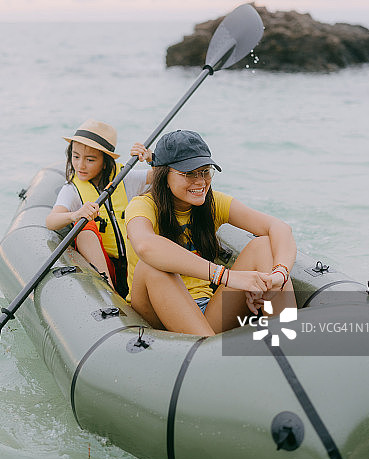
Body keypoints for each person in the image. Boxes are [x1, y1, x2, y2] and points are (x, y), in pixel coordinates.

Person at [125, 130, 297, 336]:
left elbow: (278, 227)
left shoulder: (213, 202)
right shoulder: (142, 206)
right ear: (163, 175)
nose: (200, 181)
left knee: (263, 245)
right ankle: (210, 353)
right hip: (157, 315)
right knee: (151, 265)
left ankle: (286, 340)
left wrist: (279, 275)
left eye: (205, 171)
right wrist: (226, 276)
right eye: (189, 173)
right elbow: (145, 245)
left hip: (206, 314)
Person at [45, 118, 152, 297]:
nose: (80, 165)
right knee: (84, 225)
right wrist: (75, 214)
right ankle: (108, 291)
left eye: (90, 159)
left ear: (105, 162)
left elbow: (164, 177)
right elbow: (51, 221)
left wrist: (150, 158)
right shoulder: (71, 189)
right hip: (107, 266)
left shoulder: (124, 177)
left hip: (136, 262)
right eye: (75, 157)